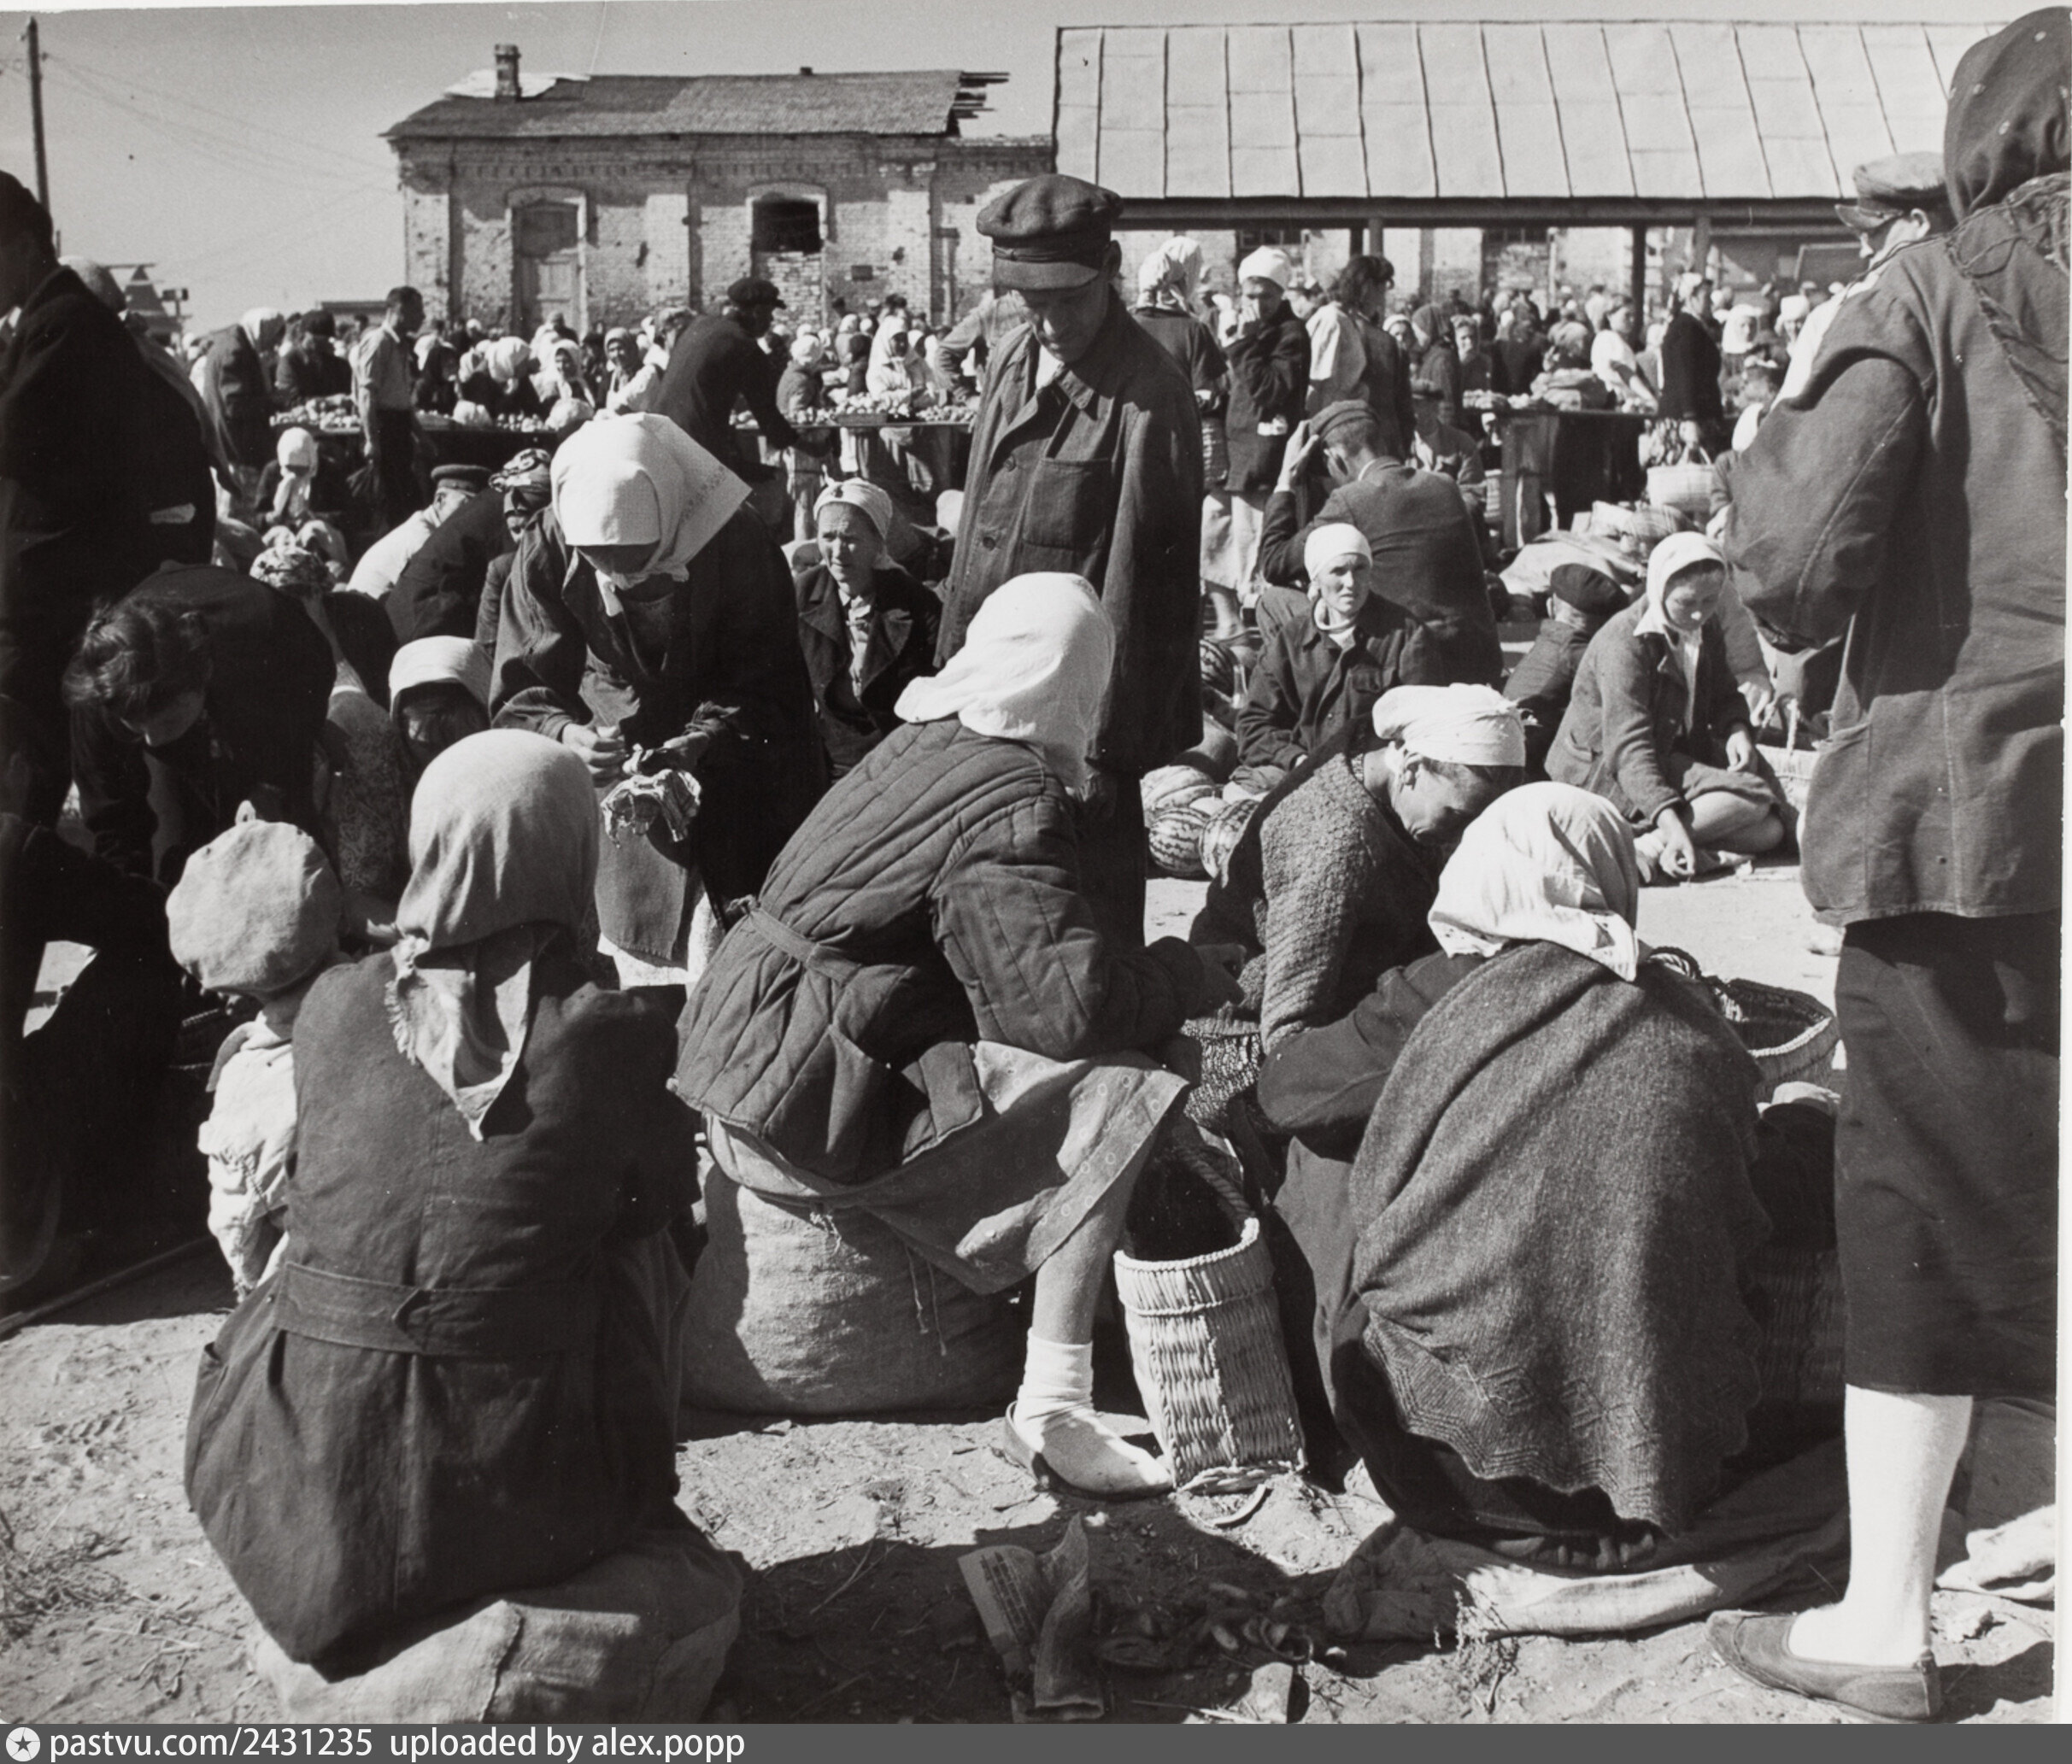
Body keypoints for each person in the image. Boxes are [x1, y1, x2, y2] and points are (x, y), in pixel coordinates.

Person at [1708, 13, 2066, 1722]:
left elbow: (1789, 569)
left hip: (1965, 832)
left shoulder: (1923, 294)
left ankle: (1884, 1622)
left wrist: (1768, 443)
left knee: (1923, 1208)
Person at [676, 575, 1240, 1497]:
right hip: (808, 1076)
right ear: (1078, 682)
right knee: (1124, 1090)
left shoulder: (926, 740)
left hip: (750, 1042)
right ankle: (1054, 1404)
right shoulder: (1010, 793)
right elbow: (1063, 1014)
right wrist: (1182, 975)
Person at [186, 730, 729, 1667]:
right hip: (520, 1484)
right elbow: (659, 1215)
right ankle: (616, 1481)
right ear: (573, 854)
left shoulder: (334, 1003)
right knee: (652, 1239)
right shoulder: (617, 1031)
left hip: (291, 1465)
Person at [1259, 784, 1774, 1562]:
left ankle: (1326, 1410)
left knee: (1319, 1148)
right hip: (1660, 1466)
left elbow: (1284, 1092)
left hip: (1434, 1460)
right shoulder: (1692, 1021)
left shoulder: (1438, 991)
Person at [933, 174, 1206, 951]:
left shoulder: (1150, 397)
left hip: (1076, 727)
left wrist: (1106, 752)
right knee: (988, 922)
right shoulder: (1010, 358)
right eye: (1031, 302)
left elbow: (1148, 591)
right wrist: (947, 673)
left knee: (1084, 929)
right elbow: (979, 522)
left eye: (1068, 300)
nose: (1049, 324)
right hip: (985, 696)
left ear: (1111, 269)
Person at [490, 413, 824, 993]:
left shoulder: (733, 537)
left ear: (670, 521)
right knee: (639, 956)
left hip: (740, 763)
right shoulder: (551, 539)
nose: (621, 580)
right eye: (603, 562)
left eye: (641, 565)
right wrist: (565, 733)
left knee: (739, 960)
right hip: (621, 767)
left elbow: (767, 675)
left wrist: (701, 739)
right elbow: (523, 676)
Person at [1193, 684, 1524, 1049]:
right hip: (1241, 1029)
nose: (1462, 837)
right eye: (1457, 816)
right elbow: (1288, 1030)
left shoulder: (1375, 755)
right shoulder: (1332, 846)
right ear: (1411, 767)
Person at [0, 176, 186, 825]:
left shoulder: (64, 322)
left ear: (22, 246)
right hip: (59, 575)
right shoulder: (55, 320)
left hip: (53, 581)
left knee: (33, 747)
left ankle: (21, 865)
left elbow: (14, 437)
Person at [62, 565, 336, 885]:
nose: (152, 739)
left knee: (282, 847)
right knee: (172, 849)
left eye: (167, 721)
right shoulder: (99, 691)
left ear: (203, 675)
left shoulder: (267, 634)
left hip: (258, 682)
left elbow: (300, 724)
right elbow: (113, 823)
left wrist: (268, 787)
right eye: (136, 725)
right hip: (198, 694)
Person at [166, 816, 344, 1297]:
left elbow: (240, 1236)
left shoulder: (244, 1089)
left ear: (222, 985)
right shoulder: (415, 1009)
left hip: (312, 1303)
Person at [1547, 532, 1786, 881]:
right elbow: (1629, 750)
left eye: (1710, 600)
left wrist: (1737, 729)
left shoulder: (1705, 626)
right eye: (1686, 602)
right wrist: (1672, 826)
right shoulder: (1624, 644)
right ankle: (1649, 848)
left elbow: (1724, 694)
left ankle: (1652, 848)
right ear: (1659, 589)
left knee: (1769, 832)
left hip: (1666, 751)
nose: (1698, 612)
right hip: (1604, 770)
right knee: (1752, 802)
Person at [1259, 401, 1502, 687]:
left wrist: (1285, 482)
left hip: (1405, 670)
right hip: (1476, 664)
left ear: (1334, 458)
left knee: (1273, 600)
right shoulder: (1445, 485)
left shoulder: (1351, 500)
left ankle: (1316, 703)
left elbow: (1274, 562)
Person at [1234, 525, 1431, 792]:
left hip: (1375, 777)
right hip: (1303, 771)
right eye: (1338, 571)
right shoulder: (1291, 640)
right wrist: (1297, 760)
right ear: (1315, 580)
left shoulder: (1406, 634)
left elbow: (1424, 725)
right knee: (1241, 789)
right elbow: (1253, 725)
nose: (1351, 582)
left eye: (1360, 569)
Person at [793, 480, 939, 778]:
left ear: (878, 541)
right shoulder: (803, 593)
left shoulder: (916, 603)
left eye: (850, 539)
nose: (837, 552)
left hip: (897, 761)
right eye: (828, 537)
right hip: (827, 759)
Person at [1780, 152, 1956, 401]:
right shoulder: (1984, 303)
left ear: (1919, 223)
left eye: (1873, 232)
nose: (1865, 250)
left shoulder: (1843, 315)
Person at [1212, 247, 1311, 609]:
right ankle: (1231, 620)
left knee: (1255, 543)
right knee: (1219, 538)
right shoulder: (1247, 328)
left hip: (1262, 457)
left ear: (1281, 294)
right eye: (1250, 296)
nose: (1257, 304)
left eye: (1266, 296)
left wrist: (1243, 346)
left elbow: (1270, 389)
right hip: (1235, 452)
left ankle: (1260, 612)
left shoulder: (1290, 334)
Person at [654, 278, 818, 483]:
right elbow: (771, 424)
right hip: (696, 451)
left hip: (659, 440)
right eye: (769, 314)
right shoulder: (745, 346)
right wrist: (812, 448)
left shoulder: (698, 325)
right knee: (774, 481)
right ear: (757, 312)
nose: (770, 321)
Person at [1504, 561, 1628, 773]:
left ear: (1551, 607)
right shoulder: (1577, 652)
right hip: (1529, 762)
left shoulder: (1552, 637)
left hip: (1512, 748)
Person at [384, 460, 522, 642]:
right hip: (414, 627)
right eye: (465, 504)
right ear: (439, 500)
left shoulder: (432, 530)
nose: (468, 514)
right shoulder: (417, 535)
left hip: (403, 620)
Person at [346, 465, 486, 601]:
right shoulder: (423, 538)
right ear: (439, 500)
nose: (470, 516)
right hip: (369, 611)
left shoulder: (426, 527)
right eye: (465, 505)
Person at [350, 286, 426, 534]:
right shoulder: (378, 342)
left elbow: (402, 400)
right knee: (387, 504)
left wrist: (421, 435)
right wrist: (372, 440)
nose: (422, 317)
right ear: (400, 311)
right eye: (418, 310)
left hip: (398, 427)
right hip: (383, 428)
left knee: (406, 502)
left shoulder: (401, 346)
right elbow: (367, 395)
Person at [197, 308, 284, 487]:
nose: (273, 346)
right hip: (235, 444)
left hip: (224, 440)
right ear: (263, 330)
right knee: (242, 497)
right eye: (273, 338)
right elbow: (235, 405)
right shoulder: (236, 351)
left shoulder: (229, 343)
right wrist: (272, 402)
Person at [775, 334, 833, 542]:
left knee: (802, 505)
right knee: (805, 506)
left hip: (793, 447)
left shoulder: (789, 373)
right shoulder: (802, 382)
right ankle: (804, 549)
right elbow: (797, 418)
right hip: (803, 450)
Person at [1656, 273, 1725, 440]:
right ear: (1690, 298)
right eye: (1706, 297)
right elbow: (1684, 373)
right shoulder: (1686, 328)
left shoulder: (1692, 326)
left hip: (1697, 415)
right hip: (1686, 420)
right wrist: (1690, 418)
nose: (1711, 303)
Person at [1406, 305, 1461, 431]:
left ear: (1430, 328)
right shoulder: (1431, 356)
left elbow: (1446, 404)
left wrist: (1443, 435)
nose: (1415, 336)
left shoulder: (1442, 360)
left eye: (1418, 330)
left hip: (1441, 431)